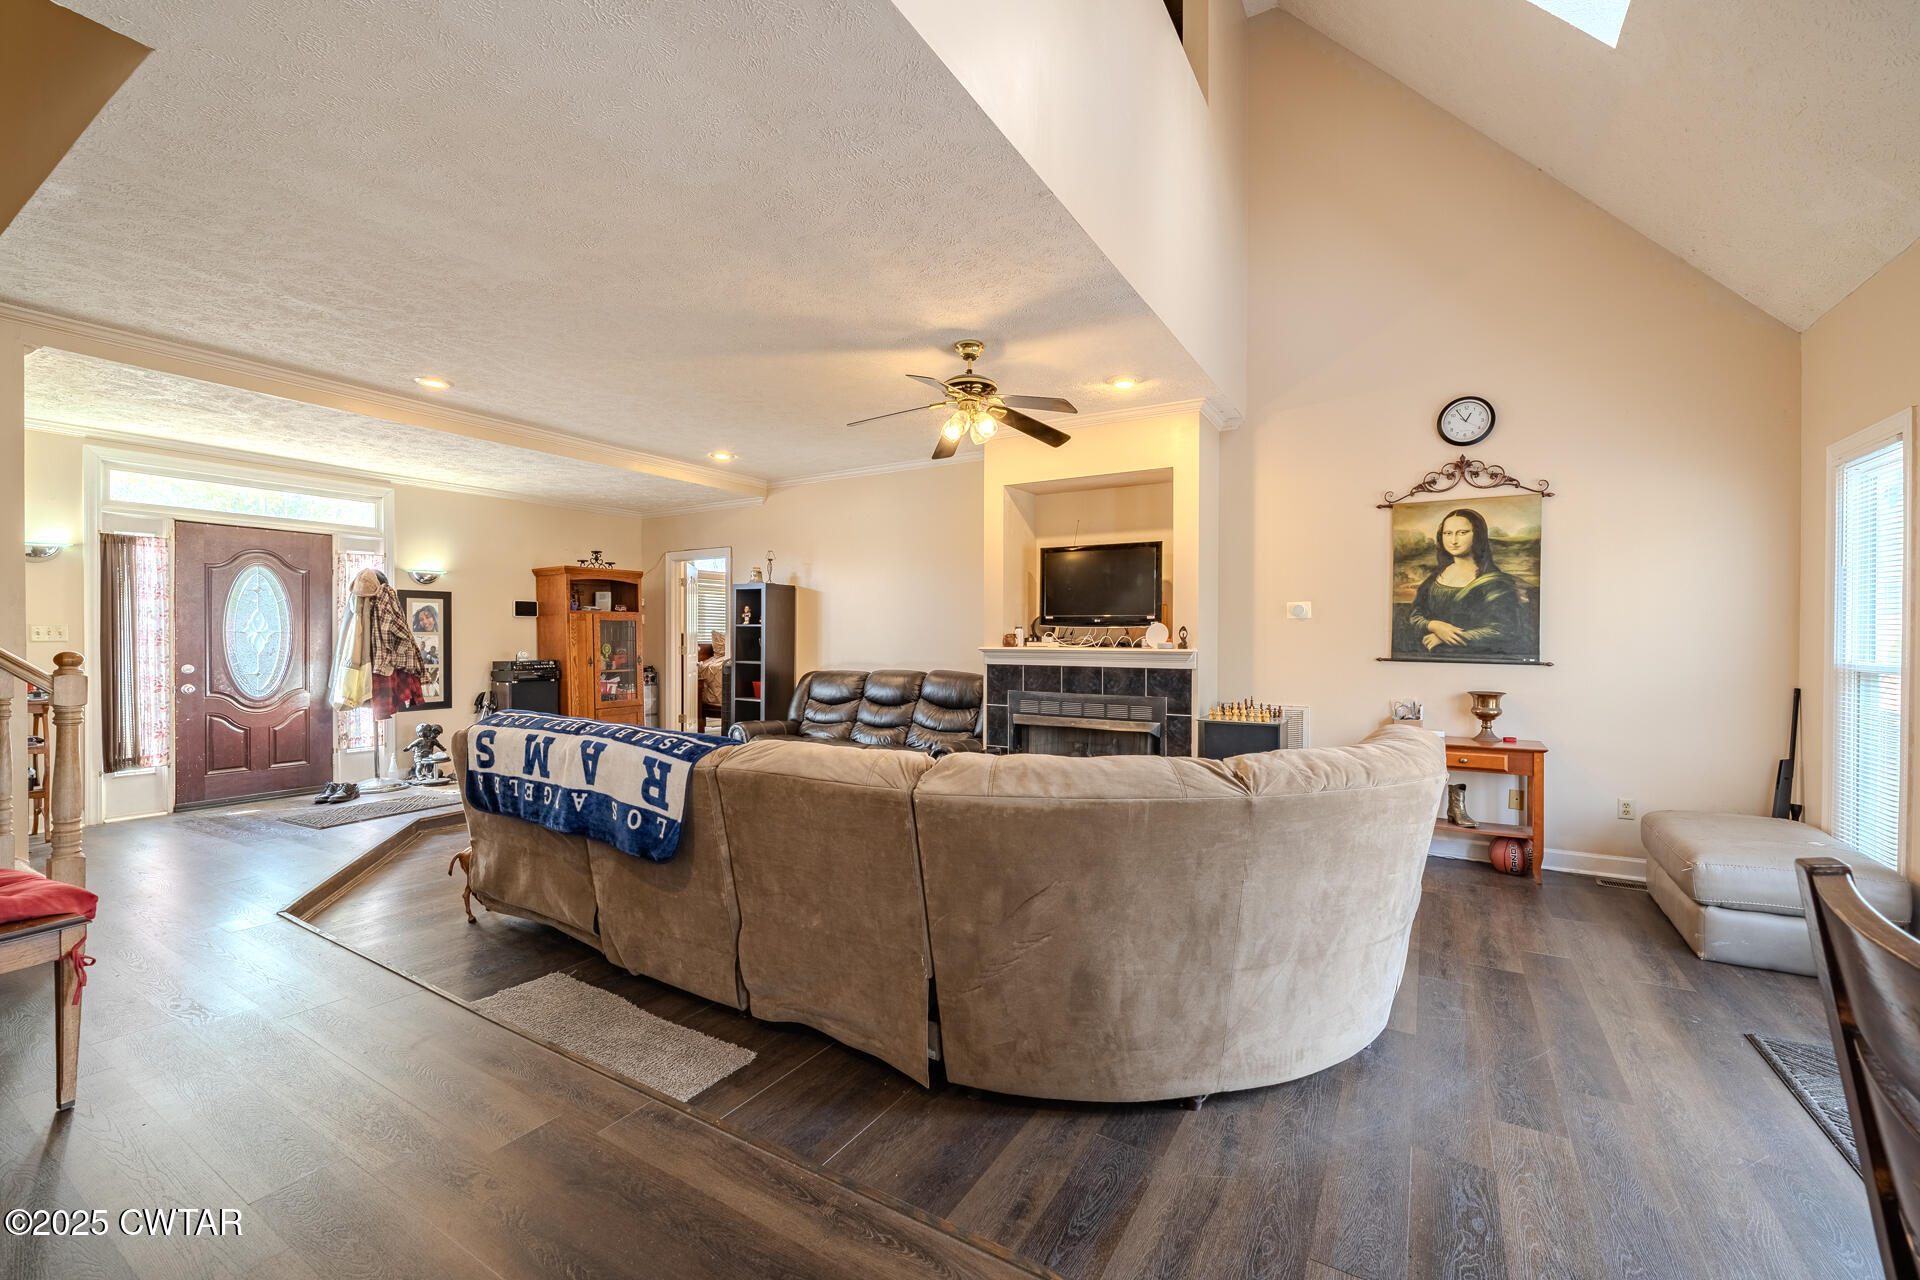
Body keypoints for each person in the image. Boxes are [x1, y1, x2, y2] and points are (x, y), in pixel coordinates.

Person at [1403, 508, 1530, 657]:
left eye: (1462, 533)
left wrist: (1446, 637)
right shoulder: (1435, 577)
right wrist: (1435, 625)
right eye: (1447, 533)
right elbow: (1415, 614)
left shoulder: (1494, 582)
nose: (1453, 540)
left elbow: (1503, 630)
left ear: (1477, 535)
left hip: (1476, 659)